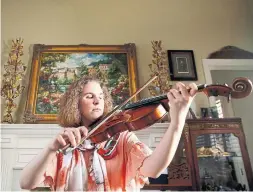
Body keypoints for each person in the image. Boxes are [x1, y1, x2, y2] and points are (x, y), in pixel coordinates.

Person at [20, 75, 197, 191]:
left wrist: (177, 122)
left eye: (101, 96)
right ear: (76, 103)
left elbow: (154, 169)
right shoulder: (66, 141)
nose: (98, 100)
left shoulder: (122, 137)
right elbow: (25, 183)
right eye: (89, 96)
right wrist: (51, 149)